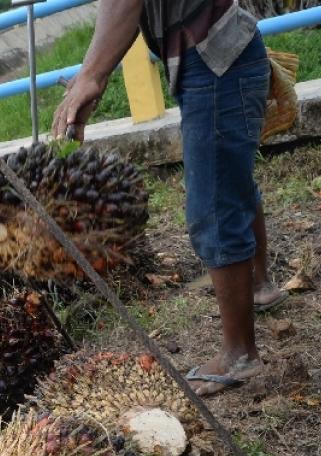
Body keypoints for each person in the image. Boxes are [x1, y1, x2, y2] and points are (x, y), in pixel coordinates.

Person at [52, 0, 285, 397]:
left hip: (216, 60)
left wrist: (93, 75)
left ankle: (239, 355)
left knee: (213, 206)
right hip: (215, 55)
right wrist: (91, 75)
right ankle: (258, 285)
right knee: (229, 181)